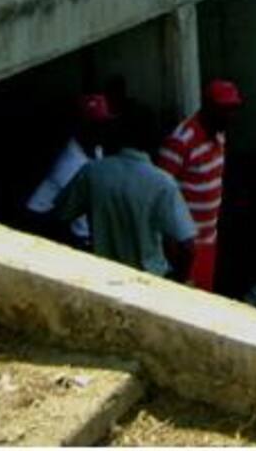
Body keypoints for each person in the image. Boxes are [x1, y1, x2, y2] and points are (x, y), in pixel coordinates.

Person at [55, 101, 196, 282]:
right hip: (149, 281)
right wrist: (178, 282)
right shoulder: (162, 183)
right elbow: (188, 247)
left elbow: (60, 216)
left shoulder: (93, 172)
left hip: (104, 278)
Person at [155, 79, 244, 292]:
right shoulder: (181, 141)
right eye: (225, 109)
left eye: (233, 109)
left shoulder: (219, 133)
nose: (231, 116)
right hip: (184, 245)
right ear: (208, 107)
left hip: (208, 239)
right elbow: (158, 191)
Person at [24, 93, 116, 248]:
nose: (103, 129)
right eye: (96, 125)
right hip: (40, 219)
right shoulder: (70, 164)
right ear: (82, 125)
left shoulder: (95, 146)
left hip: (66, 213)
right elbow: (81, 218)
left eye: (104, 123)